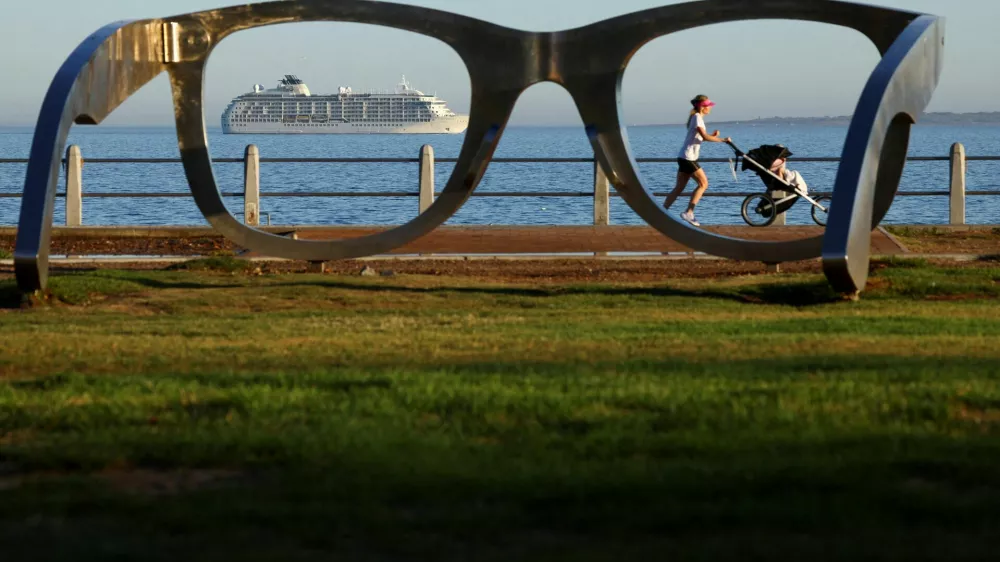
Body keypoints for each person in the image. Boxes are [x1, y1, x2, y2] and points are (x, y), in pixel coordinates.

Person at [662, 95, 731, 227]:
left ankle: (661, 213)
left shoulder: (696, 118)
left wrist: (713, 136)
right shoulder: (697, 118)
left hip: (683, 157)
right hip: (688, 158)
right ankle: (689, 212)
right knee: (703, 184)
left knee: (679, 188)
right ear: (702, 106)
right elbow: (704, 136)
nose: (710, 108)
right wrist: (722, 140)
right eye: (708, 106)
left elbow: (702, 137)